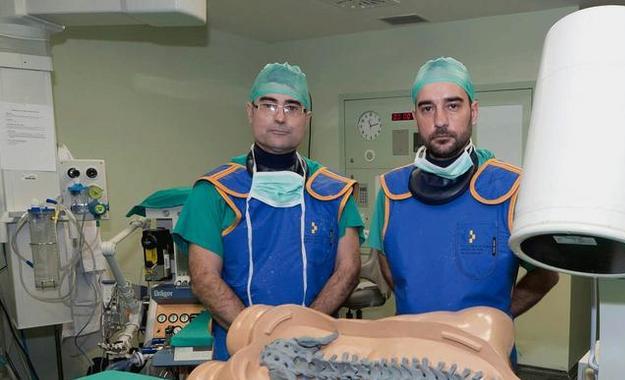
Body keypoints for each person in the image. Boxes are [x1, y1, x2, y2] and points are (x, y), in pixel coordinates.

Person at [366, 57, 559, 365]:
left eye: (453, 105)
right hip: (411, 361)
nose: (440, 120)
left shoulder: (511, 189)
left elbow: (545, 277)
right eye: (427, 108)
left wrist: (492, 322)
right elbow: (389, 269)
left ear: (475, 111)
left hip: (483, 359)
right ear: (416, 115)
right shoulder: (391, 191)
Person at [174, 62, 363, 360]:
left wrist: (304, 335)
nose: (279, 117)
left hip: (317, 352)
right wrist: (257, 338)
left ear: (306, 118)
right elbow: (204, 277)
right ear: (250, 112)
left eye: (292, 107)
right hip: (239, 352)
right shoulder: (214, 191)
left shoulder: (334, 191)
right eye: (268, 104)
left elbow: (348, 269)